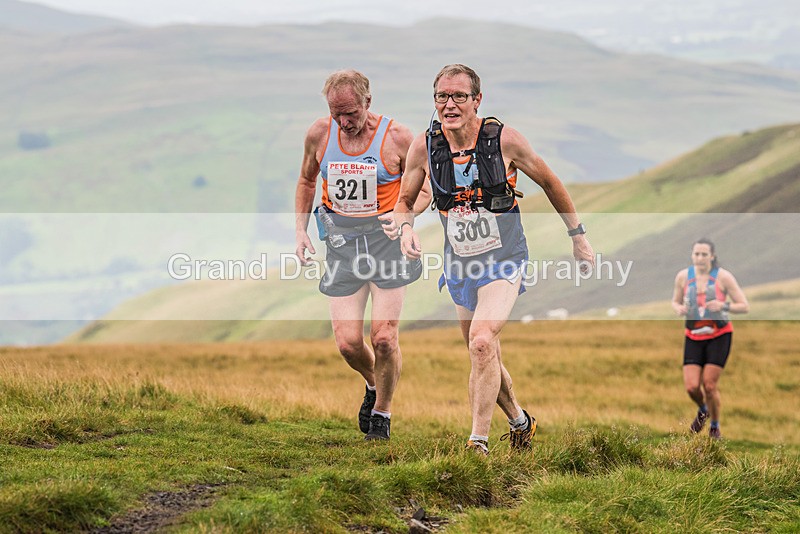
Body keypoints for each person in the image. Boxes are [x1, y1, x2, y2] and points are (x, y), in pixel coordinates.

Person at [387, 64, 595, 454]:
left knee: (481, 343)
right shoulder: (424, 146)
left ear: (477, 100)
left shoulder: (505, 140)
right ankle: (519, 419)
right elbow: (404, 202)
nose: (449, 105)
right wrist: (406, 228)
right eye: (442, 97)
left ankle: (477, 443)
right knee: (482, 350)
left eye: (459, 96)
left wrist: (578, 237)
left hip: (504, 258)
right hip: (460, 262)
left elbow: (550, 183)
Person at [295, 70, 431, 441]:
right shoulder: (320, 134)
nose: (344, 122)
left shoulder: (400, 138)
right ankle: (375, 385)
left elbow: (425, 189)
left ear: (368, 102)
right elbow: (308, 180)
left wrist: (405, 218)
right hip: (341, 245)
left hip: (387, 244)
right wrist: (300, 231)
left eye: (351, 113)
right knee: (348, 343)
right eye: (336, 114)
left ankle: (382, 415)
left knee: (384, 337)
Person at [671, 238, 749, 440]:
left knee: (710, 385)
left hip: (719, 336)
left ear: (712, 256)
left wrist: (723, 306)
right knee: (691, 387)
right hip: (693, 336)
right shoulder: (682, 277)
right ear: (692, 255)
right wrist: (679, 308)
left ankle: (715, 427)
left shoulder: (724, 278)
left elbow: (744, 306)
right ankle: (703, 410)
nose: (700, 258)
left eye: (704, 254)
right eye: (696, 254)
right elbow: (675, 300)